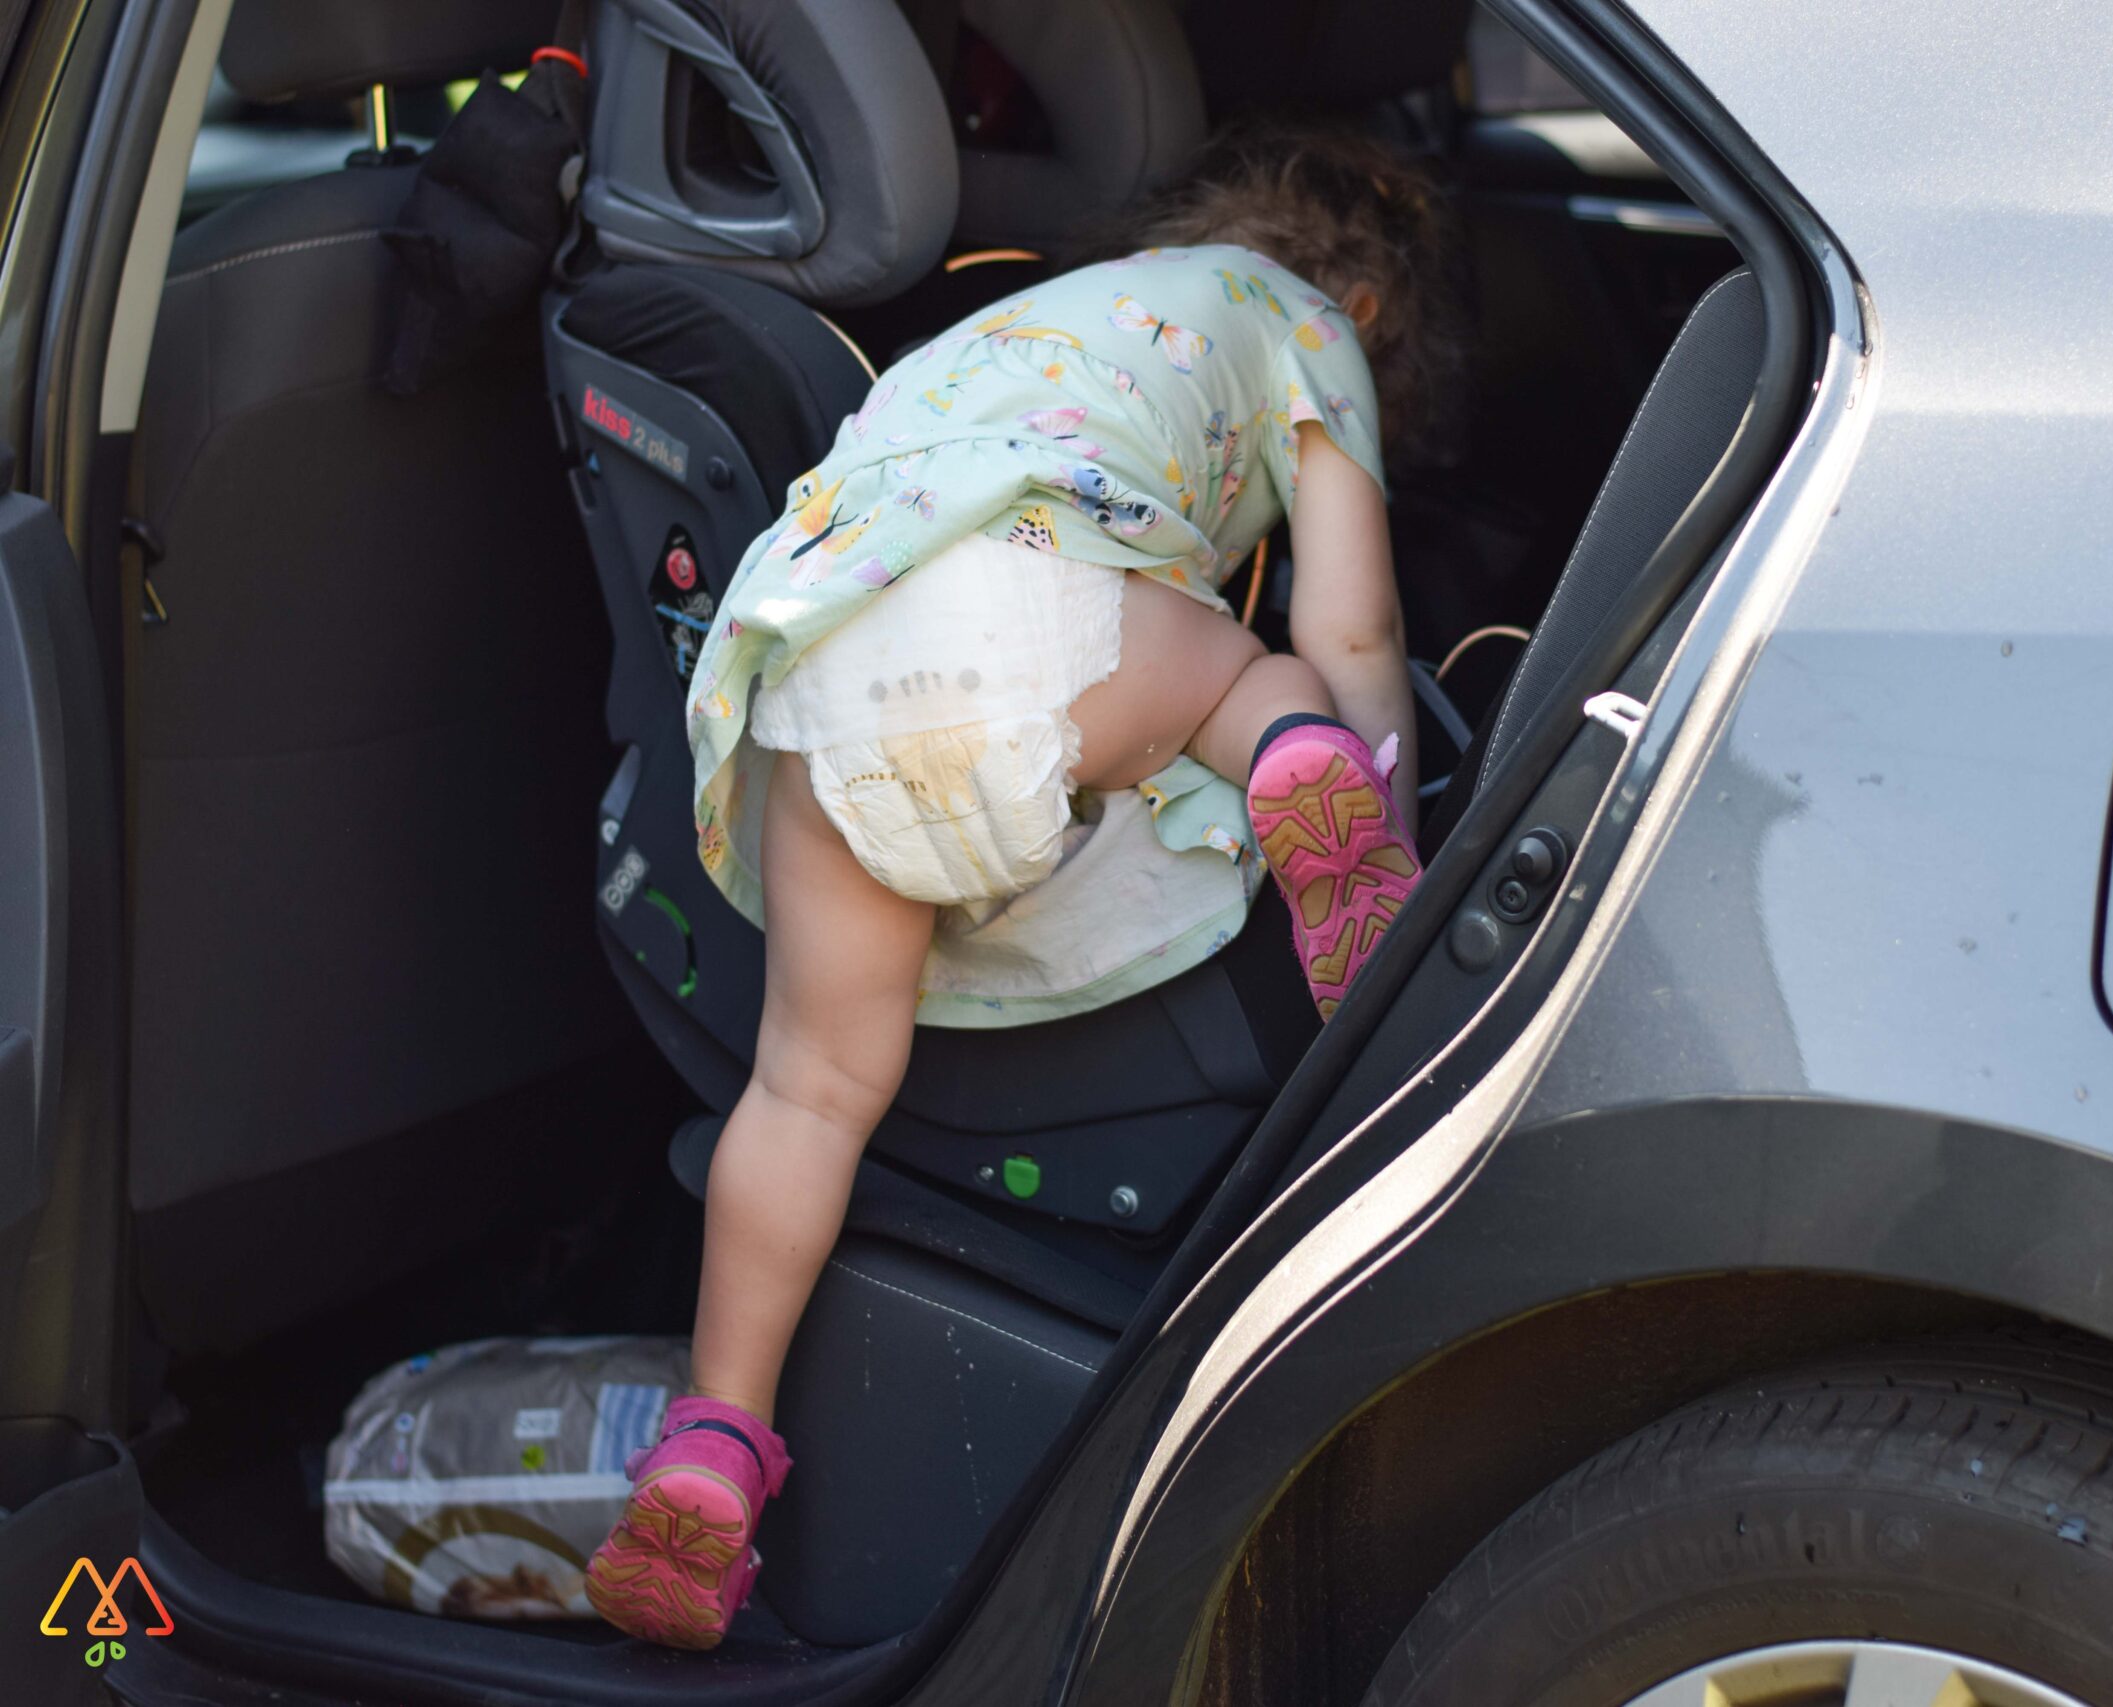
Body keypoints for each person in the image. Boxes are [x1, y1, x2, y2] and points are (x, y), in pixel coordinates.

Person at [583, 126, 1462, 1649]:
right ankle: (1297, 763)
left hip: (827, 654)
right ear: (1369, 309)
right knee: (1250, 678)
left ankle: (714, 1444)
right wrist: (1382, 777)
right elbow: (1354, 613)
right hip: (1048, 606)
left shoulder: (1039, 322)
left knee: (805, 1093)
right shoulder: (1310, 337)